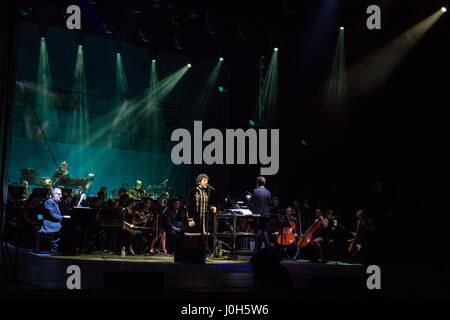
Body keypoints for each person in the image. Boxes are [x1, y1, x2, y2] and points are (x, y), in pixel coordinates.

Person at [246, 176, 271, 249]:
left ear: (257, 183)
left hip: (258, 215)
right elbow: (267, 202)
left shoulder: (255, 191)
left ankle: (258, 247)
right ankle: (266, 246)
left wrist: (248, 198)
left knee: (259, 230)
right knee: (264, 230)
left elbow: (251, 203)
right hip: (266, 214)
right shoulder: (268, 192)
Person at [38, 187, 64, 255]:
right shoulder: (48, 202)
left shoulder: (56, 202)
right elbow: (53, 215)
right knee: (62, 227)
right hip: (48, 223)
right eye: (59, 194)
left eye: (61, 194)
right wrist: (63, 218)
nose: (60, 196)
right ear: (53, 195)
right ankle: (55, 248)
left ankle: (59, 248)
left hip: (53, 222)